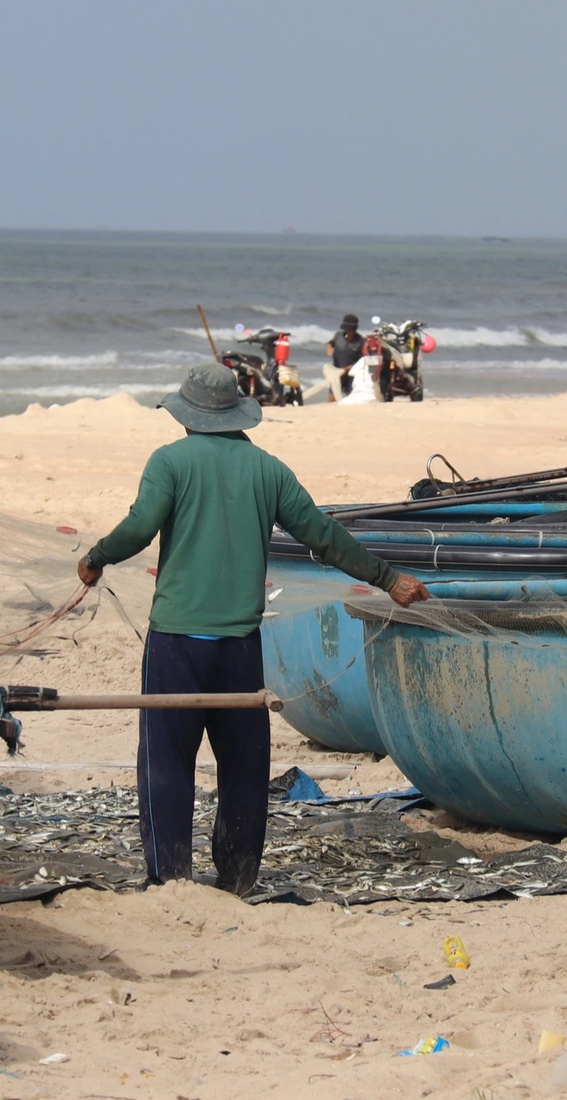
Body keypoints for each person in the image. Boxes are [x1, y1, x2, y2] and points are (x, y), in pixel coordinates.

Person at [76, 363, 430, 895]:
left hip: (177, 642)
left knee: (167, 762)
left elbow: (139, 527)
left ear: (187, 415)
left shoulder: (169, 461)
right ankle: (238, 877)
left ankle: (169, 876)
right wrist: (388, 578)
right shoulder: (268, 470)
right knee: (243, 765)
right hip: (240, 647)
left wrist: (96, 558)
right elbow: (324, 535)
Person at [322, 314, 366, 402]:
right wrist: (329, 346)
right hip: (337, 373)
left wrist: (349, 368)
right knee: (332, 399)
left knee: (350, 399)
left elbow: (361, 360)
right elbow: (330, 343)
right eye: (346, 329)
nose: (348, 331)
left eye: (350, 330)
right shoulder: (338, 335)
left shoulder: (360, 341)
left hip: (351, 375)